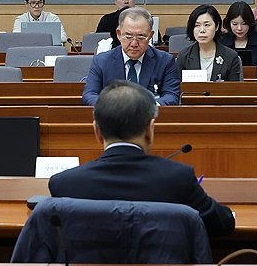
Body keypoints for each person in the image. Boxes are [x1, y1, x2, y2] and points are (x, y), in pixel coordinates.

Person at [51, 81, 234, 236]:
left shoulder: (64, 184)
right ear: (149, 129)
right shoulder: (177, 178)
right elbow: (223, 224)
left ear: (97, 132)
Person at [82, 7, 180, 106]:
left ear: (150, 36)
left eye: (141, 37)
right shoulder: (101, 61)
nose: (134, 43)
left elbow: (172, 96)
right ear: (119, 34)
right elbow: (90, 95)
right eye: (128, 36)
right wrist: (112, 109)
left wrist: (147, 108)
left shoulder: (165, 61)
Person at [176, 4, 242, 82]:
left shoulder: (230, 56)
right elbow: (177, 86)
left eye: (207, 25)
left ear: (217, 26)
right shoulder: (184, 56)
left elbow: (234, 88)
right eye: (197, 25)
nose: (202, 30)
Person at [218, 1, 257, 67]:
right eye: (235, 24)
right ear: (229, 23)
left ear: (250, 23)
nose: (239, 28)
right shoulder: (221, 40)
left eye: (244, 24)